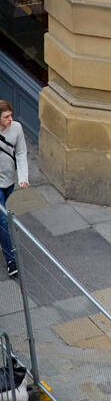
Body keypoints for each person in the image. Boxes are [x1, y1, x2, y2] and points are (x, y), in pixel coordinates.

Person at [0, 100, 29, 279]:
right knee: (3, 220)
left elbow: (21, 153)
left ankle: (6, 240)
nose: (10, 119)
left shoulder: (17, 128)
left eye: (11, 115)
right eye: (6, 117)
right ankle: (11, 260)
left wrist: (23, 178)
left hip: (9, 181)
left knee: (9, 220)